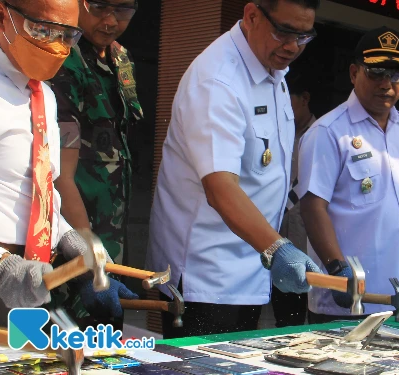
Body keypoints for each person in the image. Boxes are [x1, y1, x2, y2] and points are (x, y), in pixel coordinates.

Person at [146, 0, 322, 338]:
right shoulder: (218, 80)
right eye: (284, 32)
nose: (292, 47)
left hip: (251, 264)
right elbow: (219, 187)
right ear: (252, 15)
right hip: (206, 276)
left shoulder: (273, 71)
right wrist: (278, 247)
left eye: (303, 37)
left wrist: (270, 248)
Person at [0, 0, 136, 328]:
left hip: (39, 281)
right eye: (42, 30)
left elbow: (40, 189)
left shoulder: (44, 95)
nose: (57, 46)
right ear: (1, 16)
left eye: (68, 35)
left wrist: (67, 239)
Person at [298, 26, 399, 323]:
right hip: (345, 302)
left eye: (396, 74)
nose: (386, 83)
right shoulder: (328, 131)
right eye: (376, 72)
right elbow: (311, 207)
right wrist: (337, 269)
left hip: (397, 298)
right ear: (353, 73)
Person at [50, 0, 142, 267]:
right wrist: (89, 251)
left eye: (123, 10)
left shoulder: (121, 57)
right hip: (72, 233)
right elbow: (59, 173)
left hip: (112, 224)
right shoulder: (63, 58)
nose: (111, 21)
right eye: (99, 7)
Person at [271, 70, 317, 327]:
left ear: (304, 98)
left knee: (303, 309)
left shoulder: (320, 133)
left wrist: (282, 204)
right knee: (283, 311)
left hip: (304, 237)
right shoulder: (281, 131)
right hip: (276, 236)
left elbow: (307, 184)